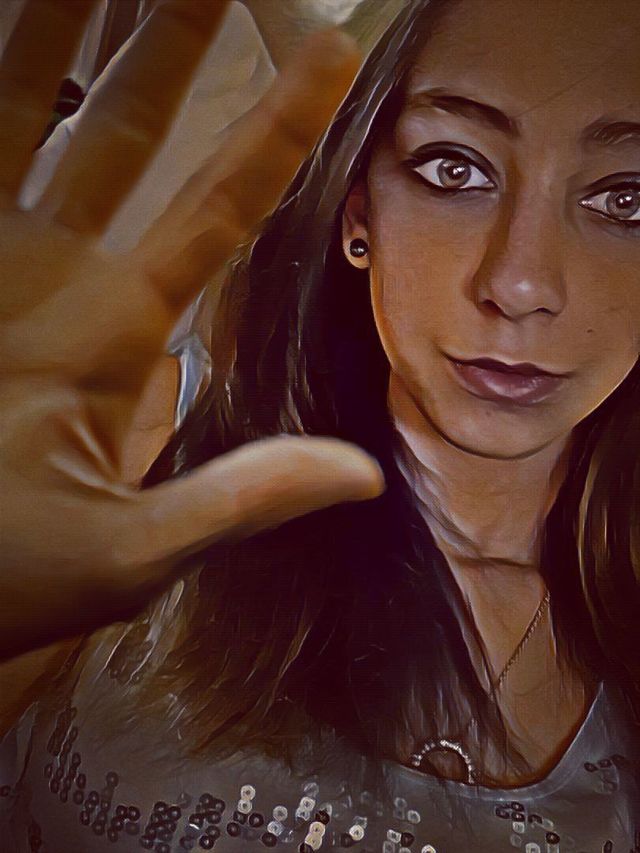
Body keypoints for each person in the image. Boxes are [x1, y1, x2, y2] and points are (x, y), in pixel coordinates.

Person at [1, 0, 639, 850]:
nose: (521, 284)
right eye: (454, 168)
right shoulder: (139, 452)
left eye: (626, 197)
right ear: (358, 213)